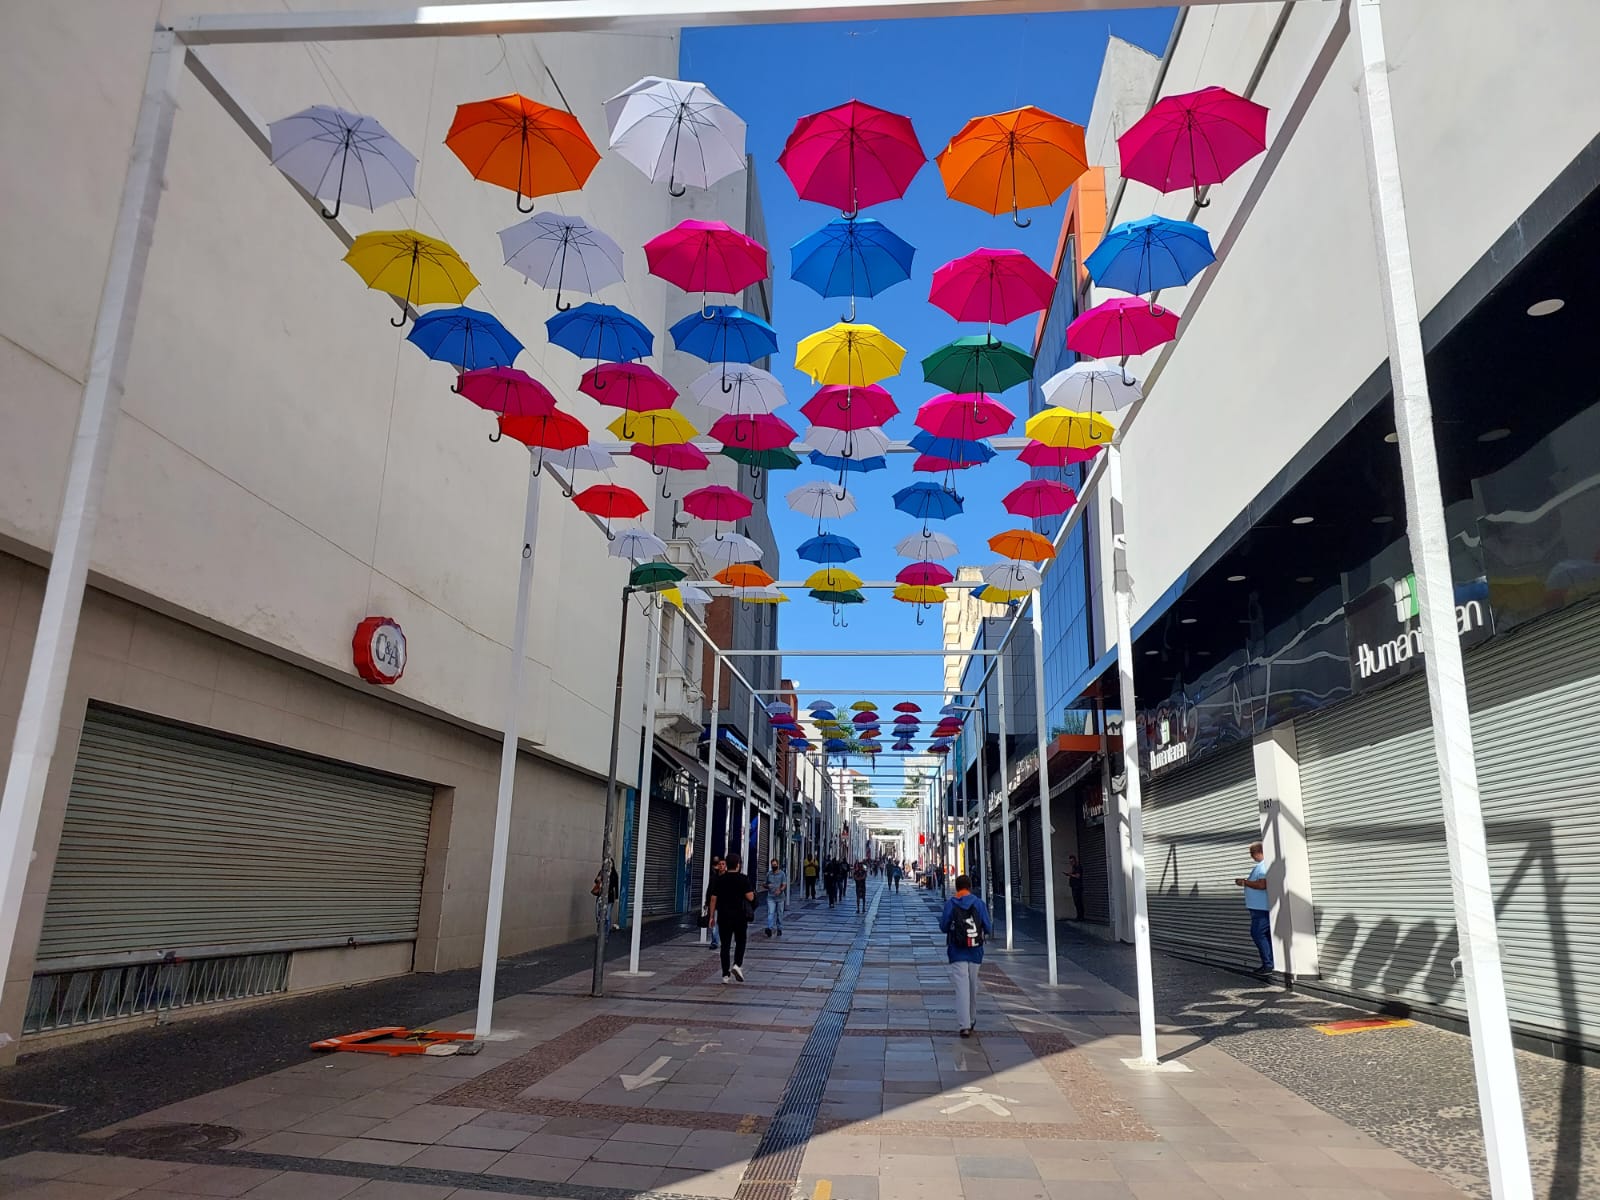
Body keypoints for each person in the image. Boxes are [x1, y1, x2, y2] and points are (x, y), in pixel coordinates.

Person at [939, 875, 992, 1038]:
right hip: (975, 951)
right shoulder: (979, 903)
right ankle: (972, 1018)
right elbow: (988, 927)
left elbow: (943, 927)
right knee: (972, 986)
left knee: (961, 987)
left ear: (957, 887)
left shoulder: (950, 904)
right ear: (969, 886)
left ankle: (964, 1025)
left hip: (957, 951)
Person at [708, 853, 755, 983]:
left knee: (725, 945)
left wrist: (711, 916)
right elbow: (750, 897)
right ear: (738, 865)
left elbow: (713, 899)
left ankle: (725, 975)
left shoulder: (720, 880)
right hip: (740, 916)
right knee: (741, 941)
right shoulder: (743, 879)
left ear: (726, 865)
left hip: (724, 916)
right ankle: (737, 964)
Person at [1234, 841, 1273, 975]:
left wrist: (1244, 882)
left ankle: (1268, 965)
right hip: (1259, 908)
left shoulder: (1263, 867)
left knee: (1257, 933)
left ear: (1258, 852)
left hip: (1261, 909)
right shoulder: (1263, 866)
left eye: (1252, 853)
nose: (1252, 856)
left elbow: (1262, 885)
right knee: (1264, 935)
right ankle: (1269, 963)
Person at [702, 857, 725, 950]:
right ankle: (714, 942)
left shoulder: (728, 878)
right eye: (720, 864)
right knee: (714, 923)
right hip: (715, 905)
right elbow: (709, 891)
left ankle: (723, 940)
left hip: (725, 905)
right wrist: (707, 902)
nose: (721, 866)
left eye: (723, 864)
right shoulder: (714, 878)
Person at [764, 857, 787, 937]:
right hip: (771, 897)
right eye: (772, 865)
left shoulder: (782, 874)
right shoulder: (769, 874)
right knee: (771, 912)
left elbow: (784, 885)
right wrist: (767, 886)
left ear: (778, 865)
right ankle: (769, 928)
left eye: (775, 865)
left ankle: (779, 928)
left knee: (780, 913)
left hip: (780, 898)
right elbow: (764, 884)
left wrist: (780, 890)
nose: (773, 866)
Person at [1065, 855, 1085, 921]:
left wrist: (1070, 874)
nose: (1071, 863)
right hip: (1074, 887)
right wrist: (1068, 873)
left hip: (1077, 887)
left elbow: (1078, 876)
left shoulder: (1078, 867)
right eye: (1070, 862)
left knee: (1078, 902)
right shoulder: (1074, 867)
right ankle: (1079, 916)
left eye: (1072, 861)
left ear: (1075, 860)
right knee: (1076, 902)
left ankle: (1081, 916)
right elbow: (1073, 873)